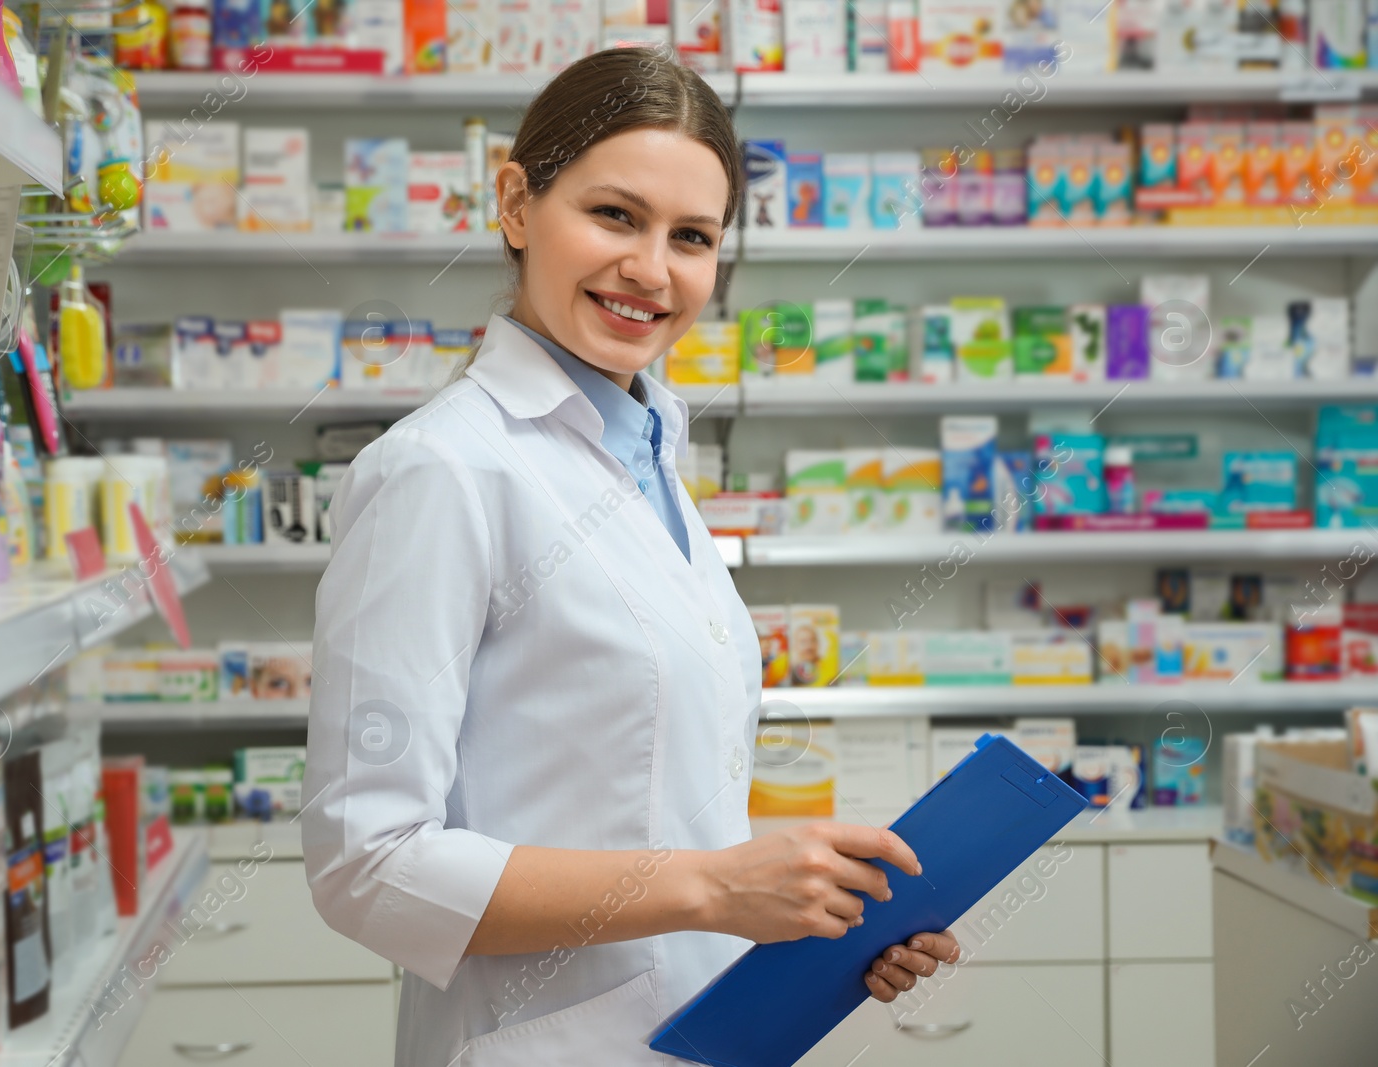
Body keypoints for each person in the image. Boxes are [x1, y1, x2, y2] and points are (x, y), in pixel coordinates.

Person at [301, 46, 959, 1065]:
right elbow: (368, 863)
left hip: (710, 1029)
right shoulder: (441, 470)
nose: (652, 270)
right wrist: (713, 885)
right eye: (614, 215)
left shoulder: (648, 452)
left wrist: (819, 902)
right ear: (516, 204)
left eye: (690, 237)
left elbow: (651, 793)